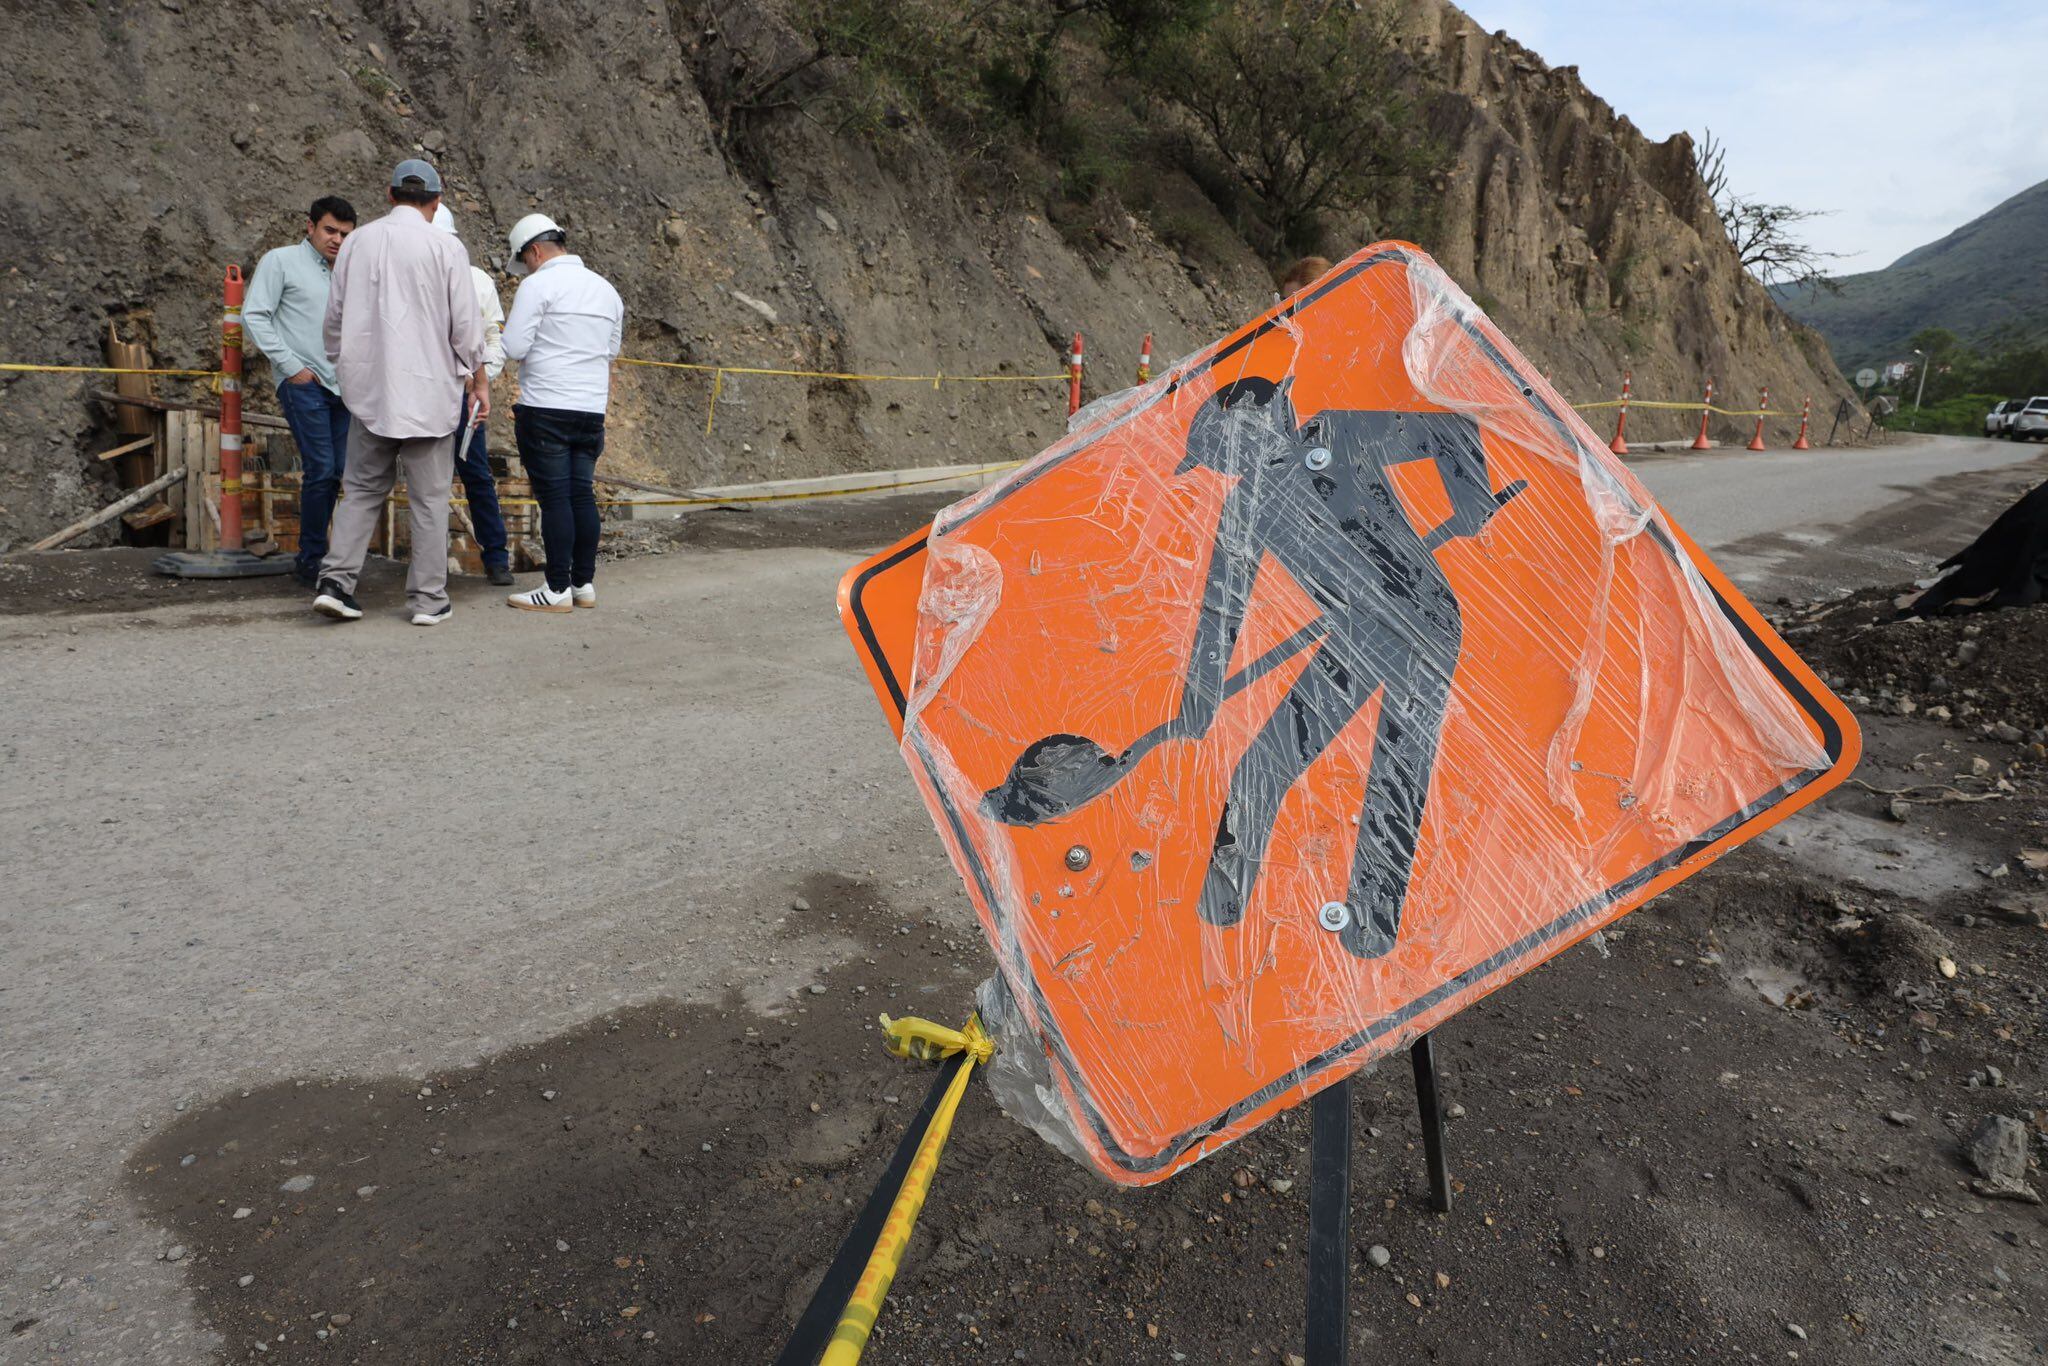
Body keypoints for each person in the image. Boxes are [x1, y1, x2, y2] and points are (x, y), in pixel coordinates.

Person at [311, 160, 486, 626]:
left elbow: (335, 317)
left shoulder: (357, 243)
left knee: (362, 491)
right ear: (436, 201)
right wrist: (479, 378)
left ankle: (336, 583)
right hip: (429, 395)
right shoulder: (446, 248)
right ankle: (428, 601)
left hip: (371, 394)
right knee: (428, 500)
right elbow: (466, 328)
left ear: (390, 196)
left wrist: (342, 364)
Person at [500, 212, 624, 613]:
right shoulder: (607, 291)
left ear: (534, 251)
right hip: (590, 411)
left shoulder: (539, 286)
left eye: (524, 263)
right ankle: (582, 584)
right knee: (580, 496)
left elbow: (515, 346)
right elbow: (611, 351)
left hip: (546, 409)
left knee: (554, 501)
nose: (524, 272)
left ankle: (556, 590)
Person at [243, 195, 357, 586]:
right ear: (309, 227)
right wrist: (292, 368)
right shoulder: (281, 261)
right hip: (304, 384)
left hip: (344, 387)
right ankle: (311, 561)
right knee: (322, 469)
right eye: (330, 230)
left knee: (341, 472)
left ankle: (323, 558)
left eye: (344, 234)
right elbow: (254, 314)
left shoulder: (349, 272)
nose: (337, 240)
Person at [431, 204, 514, 585]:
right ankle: (427, 568)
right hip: (421, 396)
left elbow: (494, 340)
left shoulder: (477, 281)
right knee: (426, 481)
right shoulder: (405, 276)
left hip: (465, 397)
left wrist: (479, 382)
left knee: (476, 475)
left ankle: (496, 559)